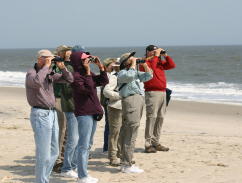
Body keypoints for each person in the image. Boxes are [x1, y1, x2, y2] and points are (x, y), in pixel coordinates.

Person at [25, 49, 73, 183]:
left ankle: (43, 178)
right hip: (40, 114)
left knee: (54, 152)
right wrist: (46, 66)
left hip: (51, 114)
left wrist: (62, 68)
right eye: (48, 59)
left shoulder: (49, 73)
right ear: (40, 59)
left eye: (51, 59)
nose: (50, 61)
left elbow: (69, 79)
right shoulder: (31, 73)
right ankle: (41, 180)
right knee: (43, 153)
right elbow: (36, 82)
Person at [71, 52, 108, 183]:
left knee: (87, 145)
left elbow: (104, 81)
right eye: (85, 59)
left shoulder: (88, 74)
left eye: (88, 59)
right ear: (78, 62)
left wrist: (101, 67)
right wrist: (87, 72)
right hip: (84, 113)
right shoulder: (75, 77)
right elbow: (88, 90)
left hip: (92, 112)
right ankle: (82, 176)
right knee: (83, 145)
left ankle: (84, 174)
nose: (88, 60)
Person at [117, 52, 153, 173]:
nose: (133, 59)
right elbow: (129, 76)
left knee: (129, 131)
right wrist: (133, 64)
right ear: (124, 62)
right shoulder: (122, 73)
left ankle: (124, 161)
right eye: (130, 58)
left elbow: (149, 76)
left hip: (137, 100)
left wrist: (144, 64)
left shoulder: (134, 72)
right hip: (131, 101)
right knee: (131, 132)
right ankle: (127, 164)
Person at [140, 45, 176, 153]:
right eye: (152, 51)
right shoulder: (144, 63)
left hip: (162, 92)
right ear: (147, 52)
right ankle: (148, 143)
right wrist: (156, 56)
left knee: (160, 117)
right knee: (151, 117)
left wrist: (166, 56)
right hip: (152, 92)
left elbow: (172, 65)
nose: (154, 53)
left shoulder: (158, 62)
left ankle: (156, 142)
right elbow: (152, 70)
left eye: (155, 51)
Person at [60, 48, 79, 178]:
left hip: (79, 107)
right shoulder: (66, 68)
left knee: (77, 139)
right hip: (70, 107)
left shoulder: (75, 67)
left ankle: (73, 165)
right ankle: (67, 168)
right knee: (73, 139)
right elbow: (67, 89)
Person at [53, 45, 72, 173]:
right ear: (61, 53)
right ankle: (57, 160)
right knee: (62, 129)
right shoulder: (55, 65)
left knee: (67, 131)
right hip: (58, 98)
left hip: (68, 99)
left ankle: (64, 157)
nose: (69, 54)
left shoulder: (69, 64)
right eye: (67, 52)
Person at [102, 58, 122, 166]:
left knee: (122, 132)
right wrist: (120, 96)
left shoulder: (126, 76)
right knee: (114, 132)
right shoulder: (114, 77)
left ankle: (120, 154)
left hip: (125, 107)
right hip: (115, 106)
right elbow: (106, 91)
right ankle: (113, 156)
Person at [100, 58, 117, 153]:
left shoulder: (114, 75)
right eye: (112, 65)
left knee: (111, 125)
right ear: (107, 66)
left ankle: (108, 147)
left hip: (111, 101)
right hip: (107, 102)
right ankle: (106, 147)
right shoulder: (106, 75)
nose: (114, 66)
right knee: (109, 125)